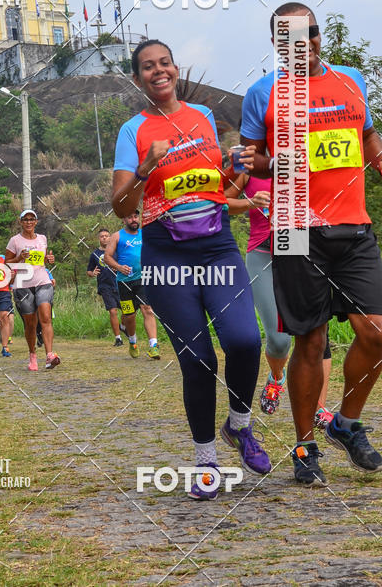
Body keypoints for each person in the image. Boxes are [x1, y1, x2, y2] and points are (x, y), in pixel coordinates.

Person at [112, 39, 271, 499]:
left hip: (218, 245)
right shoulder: (132, 130)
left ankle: (239, 425)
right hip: (166, 255)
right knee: (197, 360)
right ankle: (206, 463)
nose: (157, 71)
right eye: (147, 67)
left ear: (175, 69)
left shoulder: (200, 116)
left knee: (245, 340)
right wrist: (145, 167)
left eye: (164, 63)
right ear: (138, 77)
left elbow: (216, 184)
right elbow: (120, 204)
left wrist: (238, 171)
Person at [241, 2, 382, 485]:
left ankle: (346, 423)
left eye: (312, 34)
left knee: (377, 334)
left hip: (353, 222)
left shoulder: (352, 79)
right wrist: (278, 164)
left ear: (320, 35)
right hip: (295, 226)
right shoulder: (263, 93)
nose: (305, 45)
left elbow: (367, 137)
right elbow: (252, 162)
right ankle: (304, 446)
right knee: (310, 340)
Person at [223, 169, 292, 413]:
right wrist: (249, 202)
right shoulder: (248, 169)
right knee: (279, 339)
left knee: (314, 337)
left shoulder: (300, 158)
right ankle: (276, 376)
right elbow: (220, 202)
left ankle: (316, 405)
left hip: (297, 250)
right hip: (261, 254)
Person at [5, 211, 58, 371]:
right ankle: (32, 354)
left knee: (46, 317)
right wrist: (19, 257)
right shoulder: (14, 241)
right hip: (22, 285)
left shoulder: (42, 238)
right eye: (25, 220)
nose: (29, 222)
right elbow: (7, 263)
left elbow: (41, 261)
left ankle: (50, 355)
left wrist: (49, 260)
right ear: (21, 222)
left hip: (42, 281)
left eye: (31, 219)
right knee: (30, 324)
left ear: (36, 222)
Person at [104, 214, 159, 358]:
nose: (134, 220)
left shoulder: (145, 234)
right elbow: (107, 257)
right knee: (129, 316)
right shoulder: (117, 236)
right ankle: (133, 341)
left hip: (144, 277)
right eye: (129, 217)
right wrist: (119, 267)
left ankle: (153, 346)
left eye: (136, 217)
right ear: (124, 220)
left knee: (148, 309)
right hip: (124, 282)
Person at [87, 228, 123, 346]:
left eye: (107, 236)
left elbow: (124, 264)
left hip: (120, 284)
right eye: (102, 236)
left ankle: (123, 326)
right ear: (99, 238)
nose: (104, 238)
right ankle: (118, 338)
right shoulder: (94, 255)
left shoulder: (117, 251)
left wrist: (117, 266)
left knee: (128, 311)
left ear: (110, 237)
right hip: (105, 286)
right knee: (113, 311)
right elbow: (89, 271)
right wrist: (93, 273)